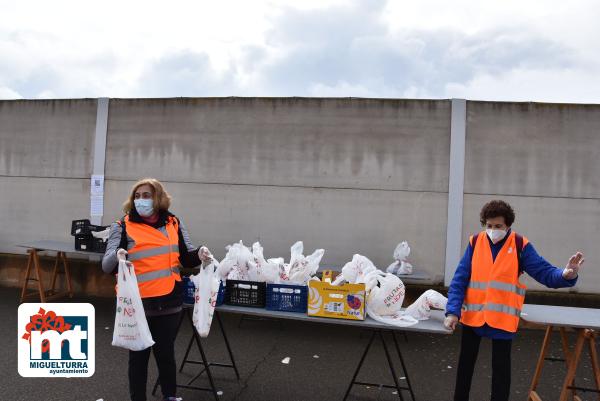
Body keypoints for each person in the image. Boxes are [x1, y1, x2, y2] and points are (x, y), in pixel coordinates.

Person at [444, 200, 584, 401]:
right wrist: (452, 312)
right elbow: (460, 279)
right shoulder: (475, 242)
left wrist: (566, 274)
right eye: (489, 225)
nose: (492, 230)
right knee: (464, 371)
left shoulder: (520, 245)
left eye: (498, 226)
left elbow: (544, 272)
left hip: (502, 321)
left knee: (501, 375)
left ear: (508, 225)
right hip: (472, 317)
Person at [102, 178, 212, 401]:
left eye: (147, 195)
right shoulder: (122, 226)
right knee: (138, 358)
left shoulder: (173, 223)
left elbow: (187, 257)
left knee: (166, 355)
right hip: (138, 305)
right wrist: (117, 255)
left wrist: (200, 254)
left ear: (159, 198)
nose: (141, 200)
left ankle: (169, 396)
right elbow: (106, 266)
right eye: (137, 196)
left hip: (169, 301)